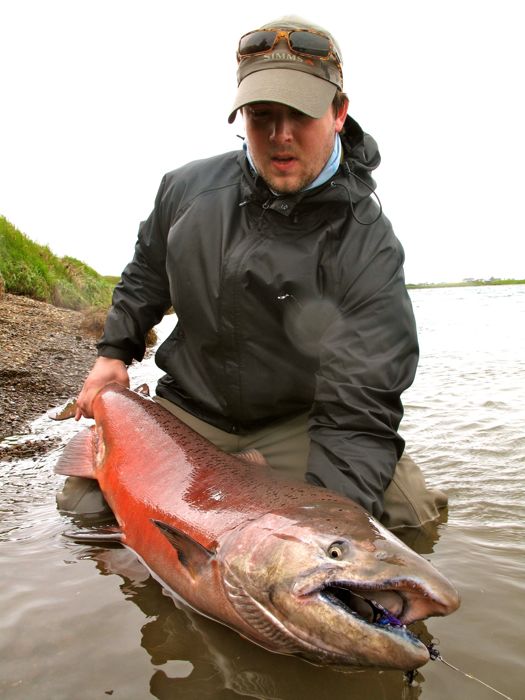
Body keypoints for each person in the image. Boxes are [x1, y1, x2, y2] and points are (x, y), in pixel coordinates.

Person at [69, 15, 447, 530]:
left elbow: (360, 411)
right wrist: (113, 354)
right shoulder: (185, 189)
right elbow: (146, 275)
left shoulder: (369, 244)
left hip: (299, 424)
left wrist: (313, 529)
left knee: (406, 516)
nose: (280, 135)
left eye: (300, 114)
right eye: (262, 114)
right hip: (190, 413)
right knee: (86, 506)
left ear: (339, 112)